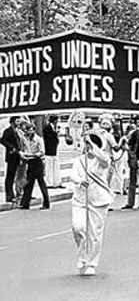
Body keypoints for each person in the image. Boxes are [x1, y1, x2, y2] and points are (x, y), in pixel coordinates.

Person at [70, 132, 113, 276]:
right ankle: (82, 255)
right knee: (78, 227)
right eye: (86, 144)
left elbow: (104, 159)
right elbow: (73, 175)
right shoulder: (79, 160)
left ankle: (91, 263)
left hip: (98, 200)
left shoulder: (103, 160)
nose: (87, 147)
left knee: (95, 233)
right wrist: (79, 181)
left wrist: (92, 144)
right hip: (80, 198)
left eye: (89, 144)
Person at [19, 123, 50, 210]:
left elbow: (42, 152)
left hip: (37, 162)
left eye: (31, 130)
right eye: (28, 130)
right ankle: (25, 203)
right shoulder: (24, 139)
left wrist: (33, 155)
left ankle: (46, 203)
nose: (29, 132)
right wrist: (24, 154)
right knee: (29, 183)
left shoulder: (38, 139)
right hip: (30, 162)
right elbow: (22, 149)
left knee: (41, 183)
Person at [0, 116, 22, 203]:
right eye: (17, 121)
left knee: (13, 176)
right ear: (13, 122)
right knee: (10, 176)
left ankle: (14, 194)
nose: (19, 123)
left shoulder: (17, 131)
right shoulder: (8, 131)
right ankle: (9, 196)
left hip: (17, 156)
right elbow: (2, 140)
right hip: (11, 156)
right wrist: (11, 148)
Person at [43, 115, 63, 189]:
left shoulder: (54, 128)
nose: (58, 121)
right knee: (49, 167)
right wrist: (55, 133)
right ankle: (49, 183)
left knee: (56, 166)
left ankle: (57, 182)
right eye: (57, 120)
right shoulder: (47, 128)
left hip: (54, 149)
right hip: (49, 150)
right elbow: (48, 138)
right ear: (54, 120)